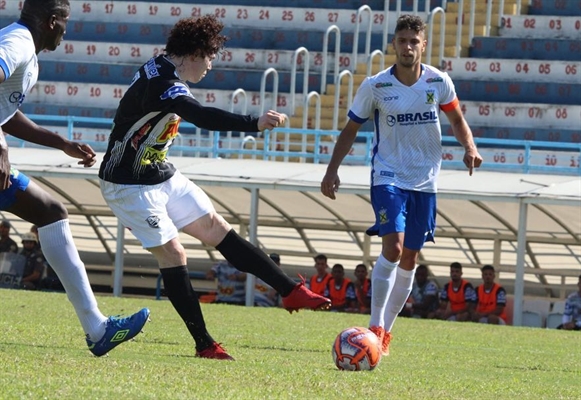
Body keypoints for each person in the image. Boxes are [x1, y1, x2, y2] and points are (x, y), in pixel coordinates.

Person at [97, 15, 331, 361]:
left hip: (158, 173)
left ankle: (290, 290)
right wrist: (254, 122)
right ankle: (204, 344)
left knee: (217, 229)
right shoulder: (164, 84)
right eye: (209, 56)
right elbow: (203, 116)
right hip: (127, 183)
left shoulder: (162, 67)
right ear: (193, 53)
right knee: (175, 254)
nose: (211, 64)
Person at [320, 14, 483, 356]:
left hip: (425, 181)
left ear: (423, 45)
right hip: (388, 175)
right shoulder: (376, 85)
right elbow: (351, 129)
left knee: (410, 256)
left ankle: (385, 334)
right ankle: (375, 325)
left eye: (414, 41)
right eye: (402, 40)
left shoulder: (438, 82)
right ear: (393, 44)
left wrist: (470, 147)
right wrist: (332, 170)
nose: (408, 46)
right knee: (392, 248)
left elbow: (456, 118)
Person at [0, 0, 149, 357]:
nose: (67, 31)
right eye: (65, 22)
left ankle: (98, 329)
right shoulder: (17, 43)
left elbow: (6, 110)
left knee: (50, 212)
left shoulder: (24, 48)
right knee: (49, 211)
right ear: (53, 21)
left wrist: (60, 142)